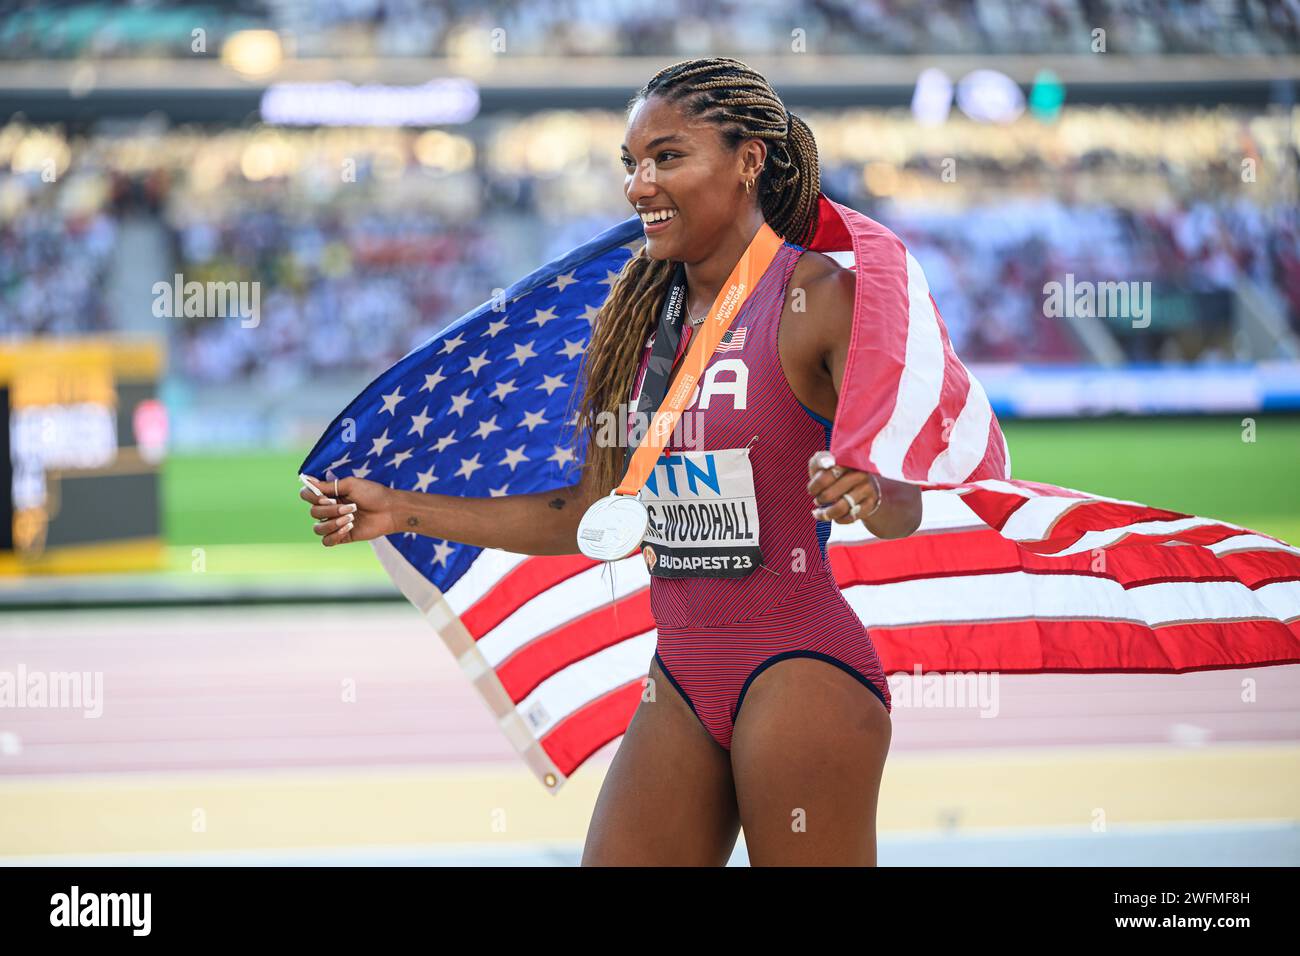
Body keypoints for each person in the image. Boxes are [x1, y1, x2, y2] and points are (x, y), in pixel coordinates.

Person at [299, 57, 922, 866]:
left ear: (749, 161)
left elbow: (904, 504)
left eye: (668, 157)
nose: (640, 185)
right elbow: (596, 510)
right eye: (631, 164)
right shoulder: (633, 321)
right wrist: (403, 508)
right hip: (683, 679)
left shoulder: (818, 298)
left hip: (800, 665)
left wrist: (868, 488)